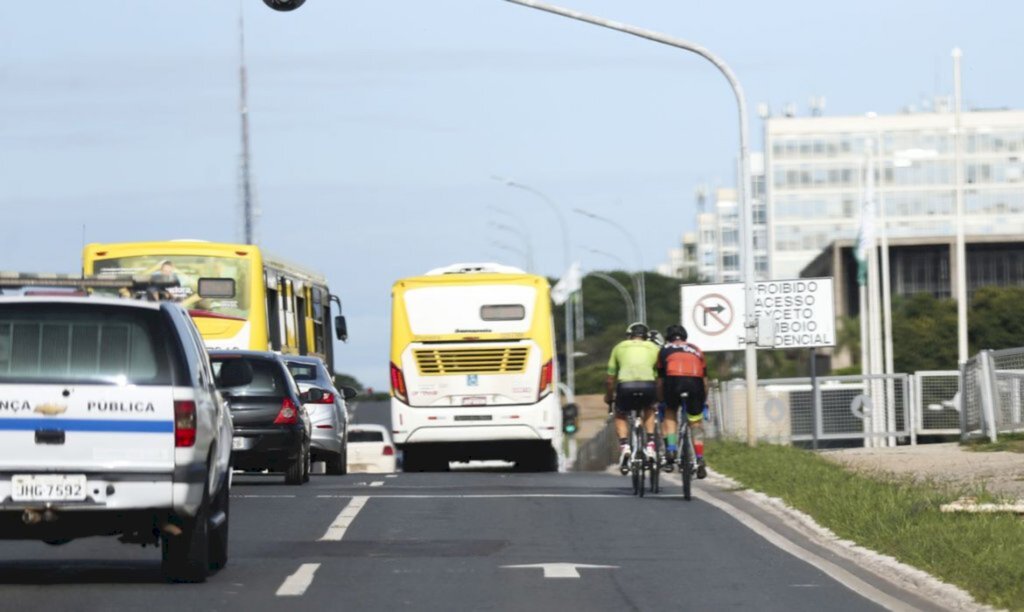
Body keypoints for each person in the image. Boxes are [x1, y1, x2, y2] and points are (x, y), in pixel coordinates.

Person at [604, 322, 660, 475]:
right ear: (646, 337)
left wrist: (609, 398)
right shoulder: (653, 348)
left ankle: (625, 447)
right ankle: (650, 444)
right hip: (648, 386)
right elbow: (659, 376)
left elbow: (610, 380)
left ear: (629, 335)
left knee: (621, 413)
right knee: (649, 409)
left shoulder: (619, 347)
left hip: (626, 387)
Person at [656, 324, 708, 478]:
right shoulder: (697, 349)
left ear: (668, 338)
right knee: (695, 421)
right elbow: (705, 380)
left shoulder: (664, 350)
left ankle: (671, 449)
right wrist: (702, 400)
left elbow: (660, 380)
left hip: (673, 381)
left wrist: (661, 399)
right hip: (695, 383)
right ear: (685, 337)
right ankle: (699, 458)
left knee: (670, 412)